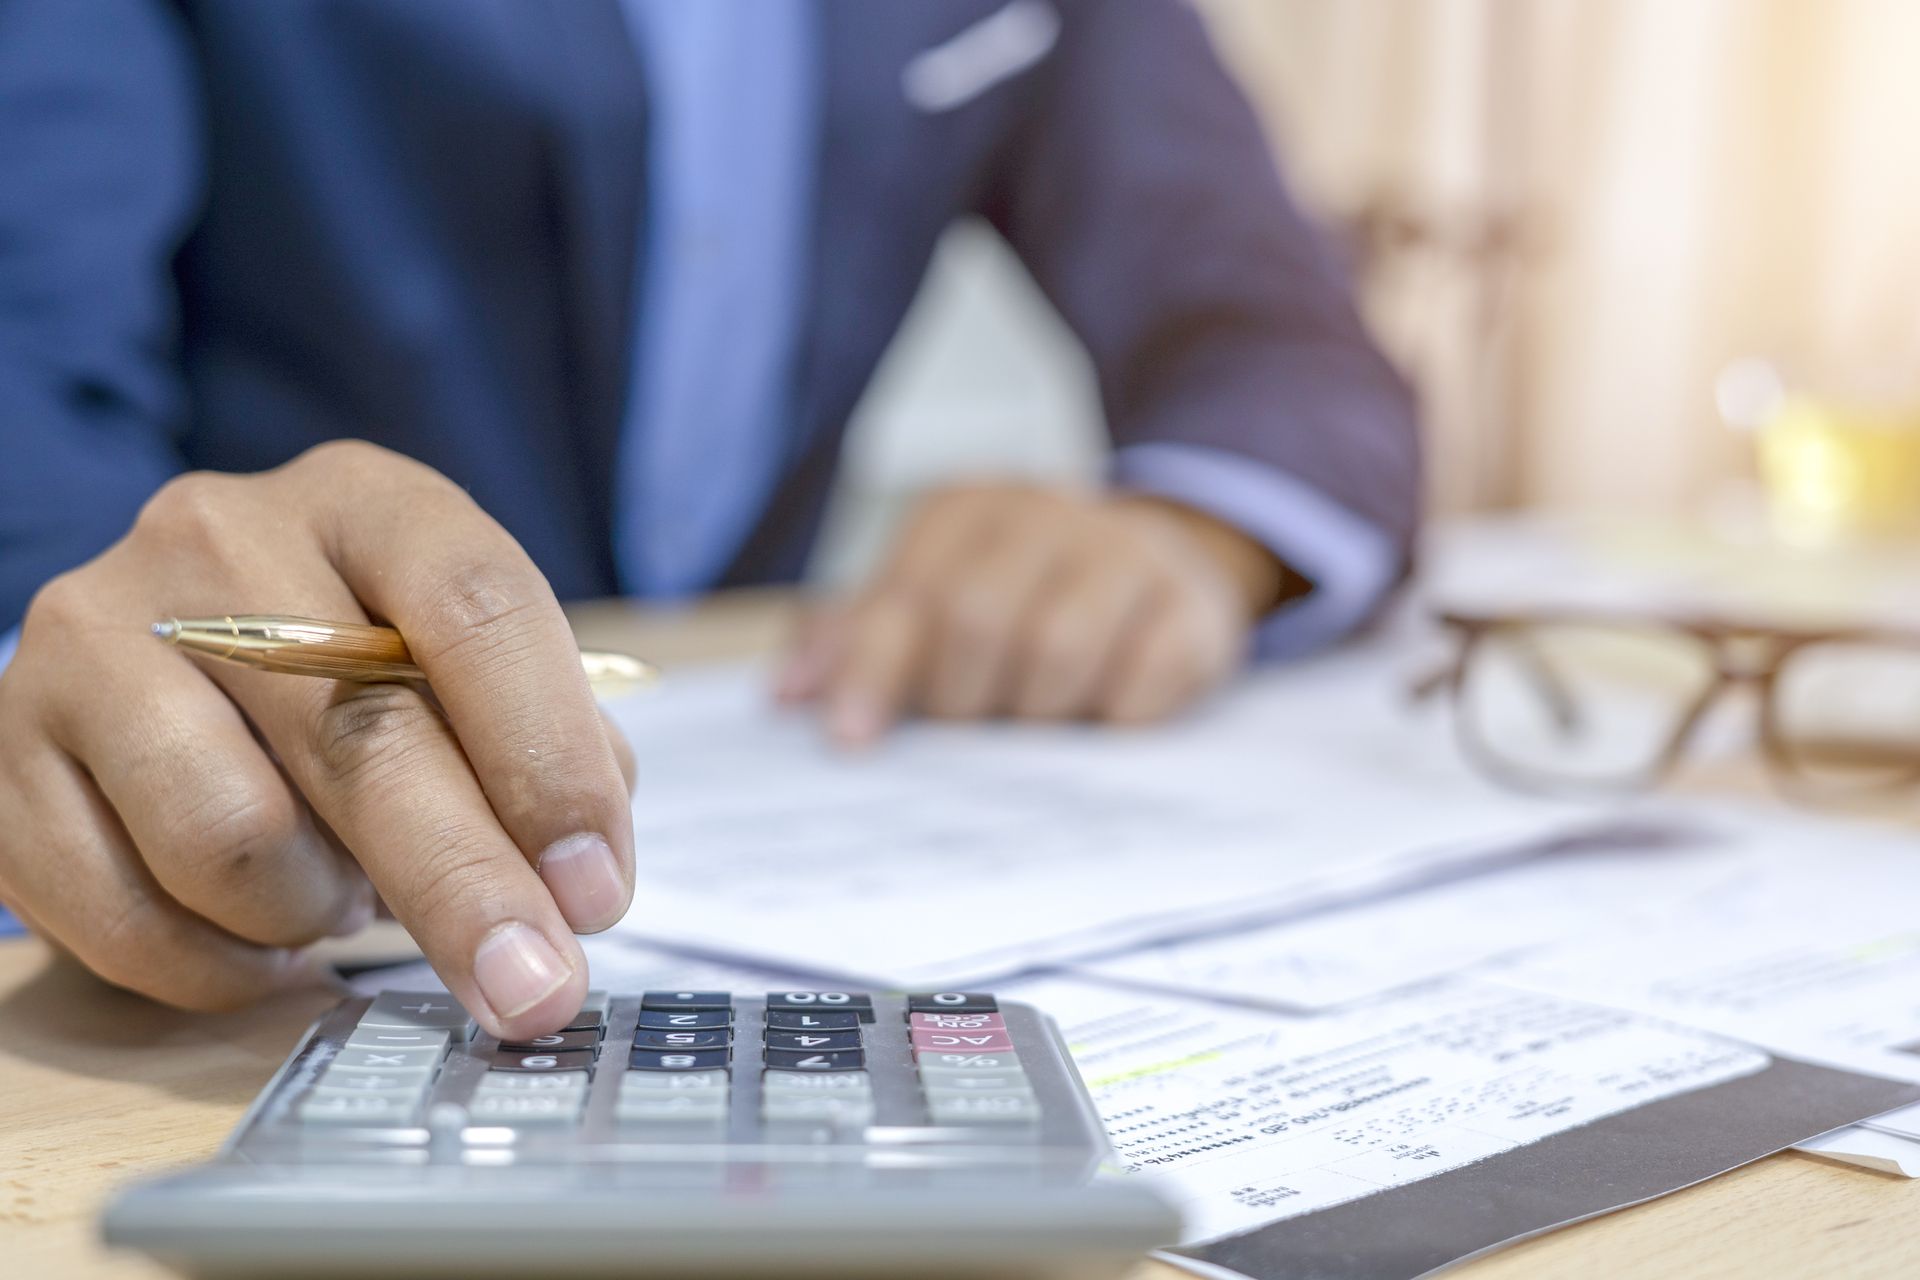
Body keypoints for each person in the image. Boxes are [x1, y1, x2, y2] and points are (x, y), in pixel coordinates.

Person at [0, 0, 1419, 1038]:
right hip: (256, 833)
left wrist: (1189, 535)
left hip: (785, 779)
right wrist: (76, 680)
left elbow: (1277, 342)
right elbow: (28, 359)